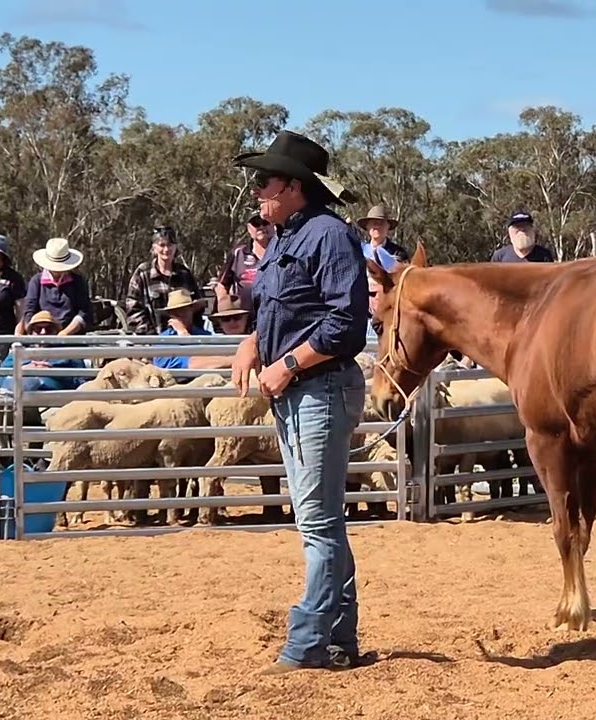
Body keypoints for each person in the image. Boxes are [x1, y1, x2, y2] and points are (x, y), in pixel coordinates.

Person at [229, 130, 374, 674]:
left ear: (293, 187)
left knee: (316, 522)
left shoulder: (329, 237)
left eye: (264, 181)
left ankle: (308, 642)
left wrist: (285, 364)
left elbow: (345, 324)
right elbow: (278, 310)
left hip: (319, 389)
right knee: (323, 521)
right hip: (300, 393)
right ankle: (338, 639)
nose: (257, 190)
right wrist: (252, 343)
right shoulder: (287, 237)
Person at [24, 238, 93, 335]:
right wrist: (33, 332)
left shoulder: (78, 282)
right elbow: (29, 311)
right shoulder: (36, 281)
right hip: (42, 336)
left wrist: (65, 333)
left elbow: (84, 312)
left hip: (72, 338)